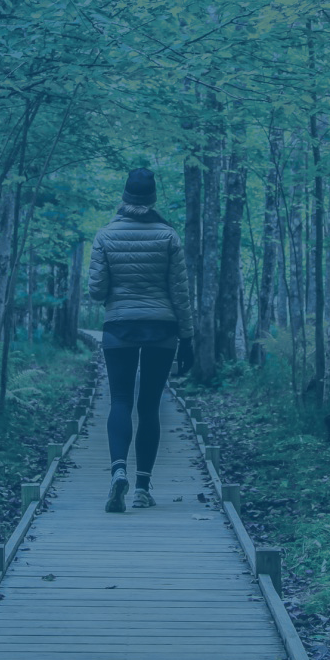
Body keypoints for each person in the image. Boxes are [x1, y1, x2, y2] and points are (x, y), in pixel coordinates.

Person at [87, 167, 195, 512]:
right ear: (152, 199)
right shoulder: (168, 236)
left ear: (125, 196)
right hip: (161, 329)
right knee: (149, 406)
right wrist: (188, 337)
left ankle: (118, 470)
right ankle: (142, 488)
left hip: (119, 326)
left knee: (119, 399)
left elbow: (96, 291)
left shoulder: (105, 236)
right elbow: (180, 293)